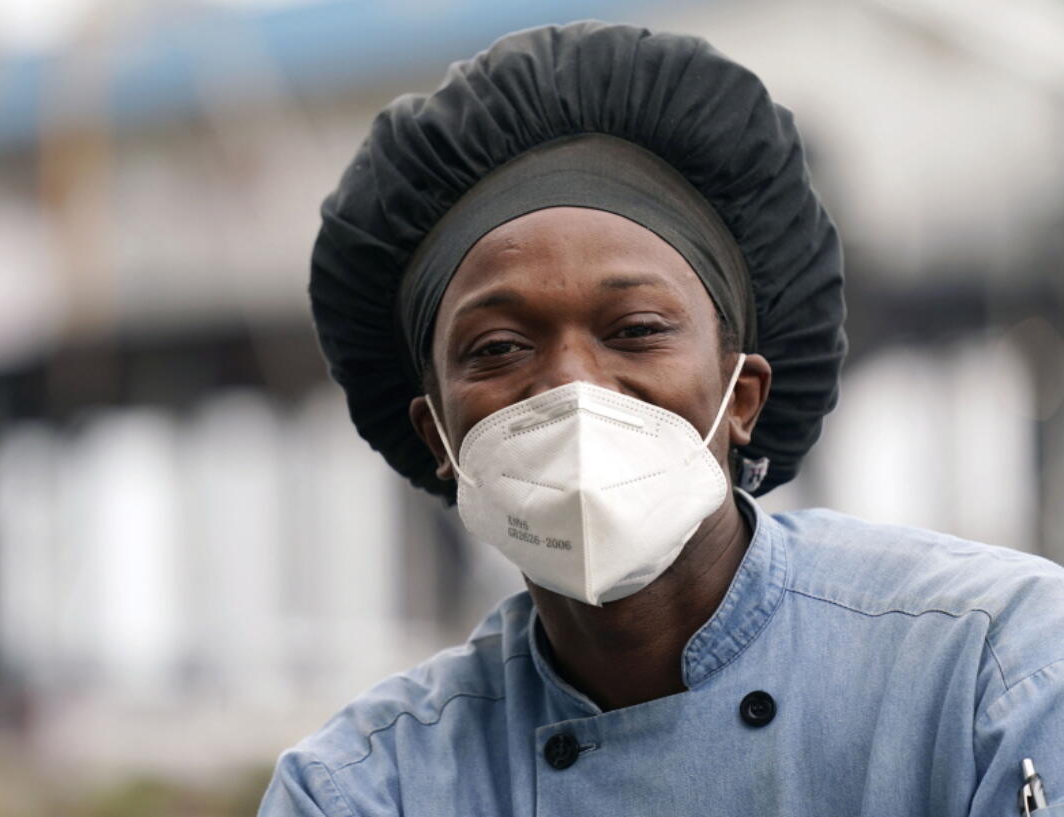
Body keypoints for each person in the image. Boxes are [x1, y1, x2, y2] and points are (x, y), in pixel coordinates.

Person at [260, 21, 1064, 816]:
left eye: (637, 330)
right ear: (439, 434)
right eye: (500, 346)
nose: (574, 389)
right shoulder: (367, 786)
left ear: (741, 395)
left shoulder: (987, 667)